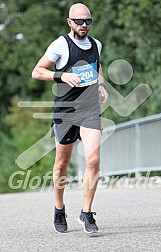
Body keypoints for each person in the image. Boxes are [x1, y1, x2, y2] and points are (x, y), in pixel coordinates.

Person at [32, 3, 108, 234]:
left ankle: (86, 213)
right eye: (79, 21)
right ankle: (59, 208)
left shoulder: (96, 44)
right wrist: (62, 75)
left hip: (90, 109)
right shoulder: (60, 45)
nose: (84, 25)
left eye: (88, 21)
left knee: (93, 160)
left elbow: (97, 64)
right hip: (65, 112)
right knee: (61, 165)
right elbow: (37, 71)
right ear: (69, 22)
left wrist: (101, 84)